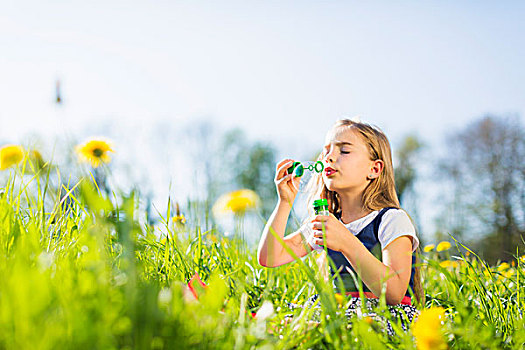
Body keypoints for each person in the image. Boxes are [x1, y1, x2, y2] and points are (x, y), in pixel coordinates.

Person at [257, 118, 422, 335]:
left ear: (374, 169)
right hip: (338, 310)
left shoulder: (391, 219)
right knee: (271, 327)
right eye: (326, 151)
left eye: (344, 151)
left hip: (384, 317)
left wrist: (346, 242)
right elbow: (270, 257)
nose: (330, 157)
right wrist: (285, 203)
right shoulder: (326, 220)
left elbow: (394, 294)